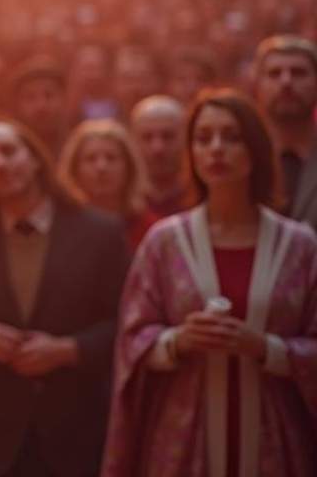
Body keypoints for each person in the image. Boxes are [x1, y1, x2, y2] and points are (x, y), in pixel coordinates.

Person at [102, 89, 317, 476]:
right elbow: (131, 339)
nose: (216, 149)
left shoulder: (300, 244)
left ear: (255, 149)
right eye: (203, 139)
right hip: (184, 433)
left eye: (231, 137)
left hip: (273, 434)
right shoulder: (164, 242)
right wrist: (177, 341)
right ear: (192, 154)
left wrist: (265, 348)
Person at [0, 119, 129, 477]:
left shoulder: (100, 233)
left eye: (9, 151)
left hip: (75, 429)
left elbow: (126, 323)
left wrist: (69, 349)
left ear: (36, 159)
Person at [59, 119, 158, 249]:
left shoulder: (150, 230)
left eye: (111, 158)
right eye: (91, 158)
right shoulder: (61, 227)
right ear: (74, 169)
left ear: (129, 167)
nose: (102, 167)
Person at [251, 34, 317, 228]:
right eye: (274, 73)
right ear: (257, 85)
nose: (286, 82)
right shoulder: (241, 157)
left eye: (298, 73)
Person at [130, 95, 191, 217]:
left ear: (186, 139)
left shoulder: (203, 198)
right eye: (147, 137)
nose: (158, 148)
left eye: (168, 136)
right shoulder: (122, 202)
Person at [9, 56, 70, 158]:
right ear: (17, 105)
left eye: (49, 95)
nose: (41, 106)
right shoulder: (8, 153)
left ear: (64, 99)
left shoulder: (79, 148)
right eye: (30, 97)